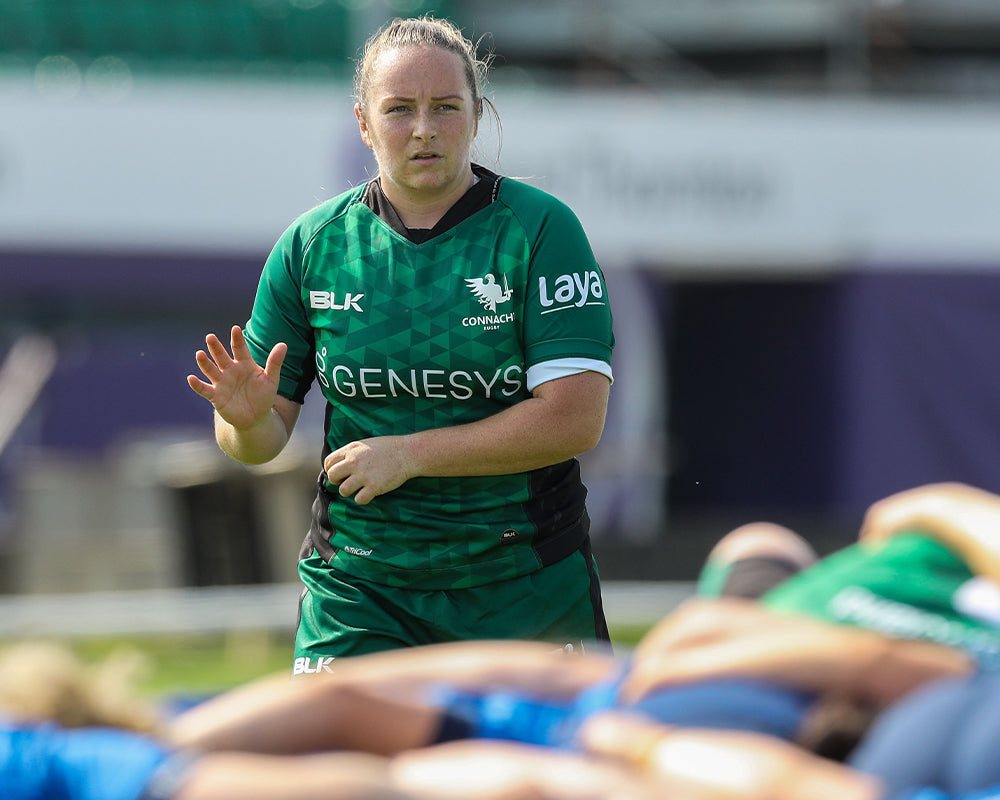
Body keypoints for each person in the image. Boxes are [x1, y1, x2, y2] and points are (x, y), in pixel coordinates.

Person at [186, 15, 615, 669]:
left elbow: (575, 419)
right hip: (360, 589)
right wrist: (244, 423)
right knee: (329, 772)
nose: (423, 129)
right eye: (399, 110)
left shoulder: (540, 230)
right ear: (363, 122)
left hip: (524, 588)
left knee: (542, 772)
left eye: (445, 107)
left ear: (479, 115)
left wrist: (410, 454)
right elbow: (262, 441)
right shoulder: (312, 245)